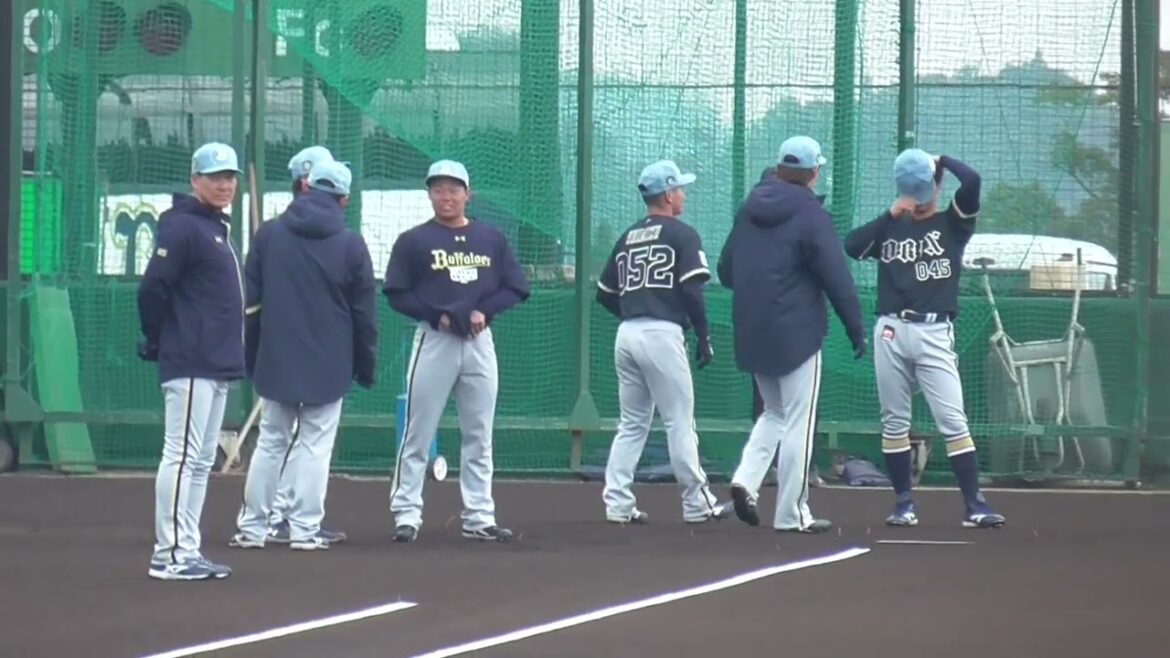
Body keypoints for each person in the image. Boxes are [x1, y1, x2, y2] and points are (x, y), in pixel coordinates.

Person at [843, 148, 1006, 529]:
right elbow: (852, 246)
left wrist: (942, 160)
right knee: (894, 421)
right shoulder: (891, 224)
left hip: (934, 329)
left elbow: (974, 181)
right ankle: (903, 503)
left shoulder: (954, 222)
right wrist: (889, 214)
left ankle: (974, 505)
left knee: (952, 418)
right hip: (891, 328)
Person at [718, 136, 866, 533]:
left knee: (773, 412)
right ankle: (791, 513)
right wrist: (855, 328)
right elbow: (837, 277)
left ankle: (746, 479)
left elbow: (726, 271)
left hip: (751, 328)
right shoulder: (812, 214)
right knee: (798, 419)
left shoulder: (747, 209)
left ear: (779, 168)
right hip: (797, 332)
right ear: (814, 173)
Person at [229, 159, 377, 551]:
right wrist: (365, 365)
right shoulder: (350, 244)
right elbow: (364, 314)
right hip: (330, 361)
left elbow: (251, 305)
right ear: (344, 199)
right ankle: (304, 530)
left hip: (276, 355)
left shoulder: (269, 236)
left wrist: (252, 355)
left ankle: (252, 528)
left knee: (271, 441)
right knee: (314, 445)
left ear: (307, 186)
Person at [383, 159, 530, 543]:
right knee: (418, 431)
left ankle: (479, 515)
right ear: (429, 193)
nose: (445, 196)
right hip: (435, 341)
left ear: (468, 194)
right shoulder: (415, 240)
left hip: (480, 343)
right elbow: (397, 293)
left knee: (479, 433)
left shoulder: (490, 239)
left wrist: (486, 310)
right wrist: (437, 316)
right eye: (438, 189)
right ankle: (406, 514)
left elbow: (516, 286)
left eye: (453, 189)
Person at [596, 160, 728, 525]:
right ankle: (696, 502)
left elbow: (604, 294)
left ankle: (618, 503)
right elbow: (692, 290)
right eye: (680, 188)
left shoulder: (628, 237)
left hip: (627, 334)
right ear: (667, 195)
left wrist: (633, 309)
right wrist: (703, 335)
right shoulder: (682, 234)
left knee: (632, 423)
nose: (683, 194)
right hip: (661, 333)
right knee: (679, 421)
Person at [137, 142, 246, 581]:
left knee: (200, 460)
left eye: (230, 177)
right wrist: (158, 337)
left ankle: (186, 548)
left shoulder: (215, 229)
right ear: (194, 181)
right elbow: (152, 289)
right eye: (215, 177)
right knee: (182, 456)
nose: (225, 184)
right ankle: (170, 553)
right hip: (192, 358)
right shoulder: (184, 227)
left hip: (215, 360)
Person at [263, 145, 350, 546]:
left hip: (281, 350)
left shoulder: (274, 230)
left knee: (289, 438)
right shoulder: (285, 232)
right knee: (297, 438)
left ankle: (275, 517)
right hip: (311, 350)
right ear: (305, 181)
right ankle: (289, 520)